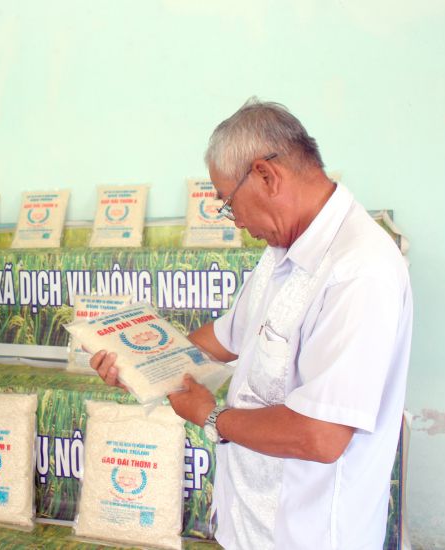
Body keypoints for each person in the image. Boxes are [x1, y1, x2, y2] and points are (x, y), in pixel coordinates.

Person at [92, 99, 412, 549]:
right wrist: (141, 363)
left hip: (309, 536)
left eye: (228, 204)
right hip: (248, 528)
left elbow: (322, 436)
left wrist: (210, 415)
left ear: (266, 175)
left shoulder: (359, 270)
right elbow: (225, 338)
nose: (236, 222)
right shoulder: (280, 252)